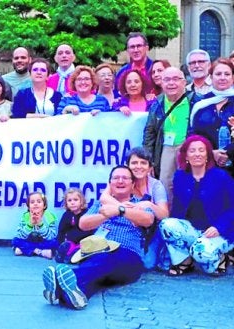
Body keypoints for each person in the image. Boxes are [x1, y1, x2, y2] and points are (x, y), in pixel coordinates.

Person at [42, 165, 155, 310]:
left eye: (125, 178)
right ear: (110, 184)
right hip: (98, 252)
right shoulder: (100, 204)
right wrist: (105, 214)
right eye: (116, 178)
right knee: (94, 278)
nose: (120, 181)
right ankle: (68, 297)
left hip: (128, 256)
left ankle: (60, 282)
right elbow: (83, 223)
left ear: (133, 184)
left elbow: (148, 220)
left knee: (104, 261)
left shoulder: (140, 204)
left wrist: (119, 210)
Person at [159, 135, 234, 276]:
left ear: (208, 155)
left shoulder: (221, 176)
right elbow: (177, 209)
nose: (197, 154)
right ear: (186, 156)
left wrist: (219, 227)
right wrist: (173, 241)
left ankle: (222, 259)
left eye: (201, 150)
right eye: (192, 150)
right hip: (193, 229)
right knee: (166, 225)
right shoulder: (180, 176)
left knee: (201, 253)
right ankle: (185, 261)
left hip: (219, 231)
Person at [100, 147, 169, 269]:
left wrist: (149, 205)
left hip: (150, 230)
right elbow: (104, 197)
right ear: (127, 165)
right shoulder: (121, 178)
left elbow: (164, 215)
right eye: (134, 163)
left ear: (150, 167)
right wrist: (126, 209)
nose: (139, 166)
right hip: (127, 227)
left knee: (147, 264)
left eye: (143, 163)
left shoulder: (156, 185)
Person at [143, 67, 199, 205]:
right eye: (167, 79)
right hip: (166, 148)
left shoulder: (196, 101)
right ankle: (166, 217)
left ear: (184, 82)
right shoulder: (157, 104)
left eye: (176, 79)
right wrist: (148, 160)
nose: (171, 83)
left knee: (190, 183)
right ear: (161, 83)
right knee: (165, 184)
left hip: (189, 147)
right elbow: (149, 133)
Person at [190, 58, 234, 175]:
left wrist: (228, 153)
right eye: (218, 74)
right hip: (207, 168)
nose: (223, 77)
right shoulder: (200, 104)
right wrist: (211, 153)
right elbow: (193, 135)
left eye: (227, 74)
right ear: (211, 77)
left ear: (233, 78)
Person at [11, 192, 57, 259]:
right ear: (28, 206)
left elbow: (51, 236)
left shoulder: (49, 216)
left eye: (39, 202)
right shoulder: (26, 216)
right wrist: (30, 224)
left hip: (43, 242)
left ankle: (25, 250)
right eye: (32, 202)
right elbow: (20, 235)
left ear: (44, 205)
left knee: (55, 242)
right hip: (28, 241)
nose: (35, 204)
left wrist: (40, 224)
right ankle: (39, 252)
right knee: (15, 240)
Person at [54, 188, 93, 264]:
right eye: (69, 200)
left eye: (75, 200)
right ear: (66, 203)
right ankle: (67, 255)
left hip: (84, 242)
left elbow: (92, 229)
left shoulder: (87, 214)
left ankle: (76, 256)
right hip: (71, 242)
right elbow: (61, 231)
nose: (72, 203)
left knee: (84, 248)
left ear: (81, 201)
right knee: (66, 245)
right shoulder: (66, 215)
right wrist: (60, 243)